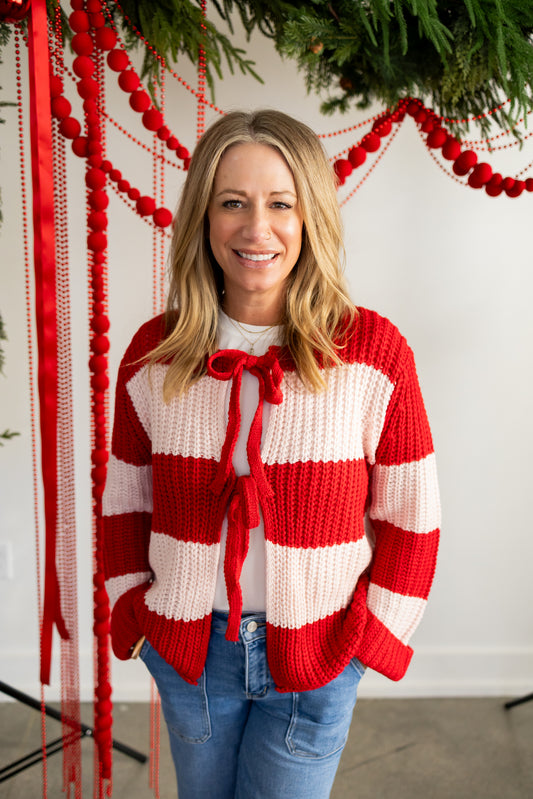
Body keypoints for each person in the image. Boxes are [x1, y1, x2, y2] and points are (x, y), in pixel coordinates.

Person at [102, 109, 440, 799]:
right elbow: (125, 502)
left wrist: (367, 643)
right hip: (192, 653)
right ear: (203, 216)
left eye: (280, 203)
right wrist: (137, 614)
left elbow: (413, 516)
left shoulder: (370, 355)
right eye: (232, 203)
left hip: (316, 653)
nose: (257, 228)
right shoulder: (153, 355)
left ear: (310, 214)